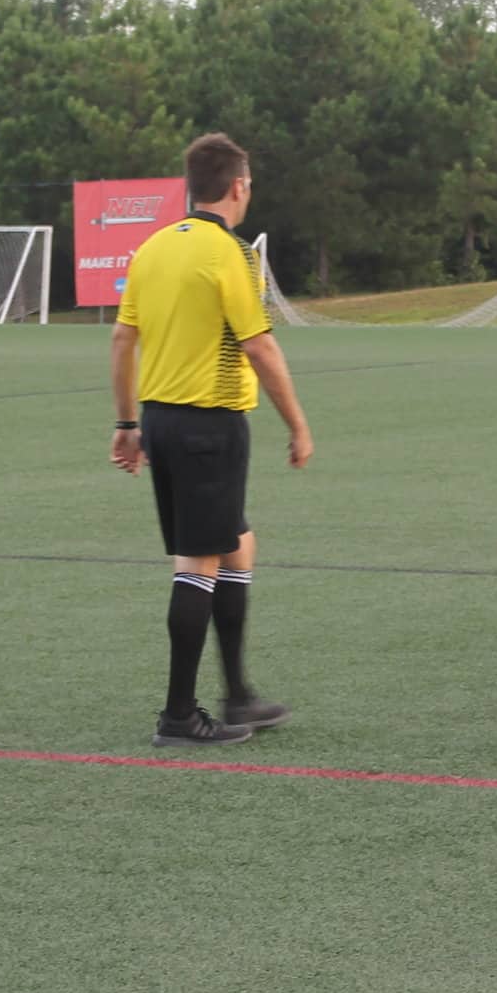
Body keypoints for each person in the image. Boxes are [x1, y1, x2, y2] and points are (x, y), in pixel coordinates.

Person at [109, 132, 313, 748]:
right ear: (238, 186)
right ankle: (178, 715)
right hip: (209, 424)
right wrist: (298, 422)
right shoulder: (232, 254)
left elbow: (123, 342)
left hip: (163, 421)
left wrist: (126, 425)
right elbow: (259, 344)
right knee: (196, 564)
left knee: (237, 546)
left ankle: (239, 694)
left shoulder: (152, 248)